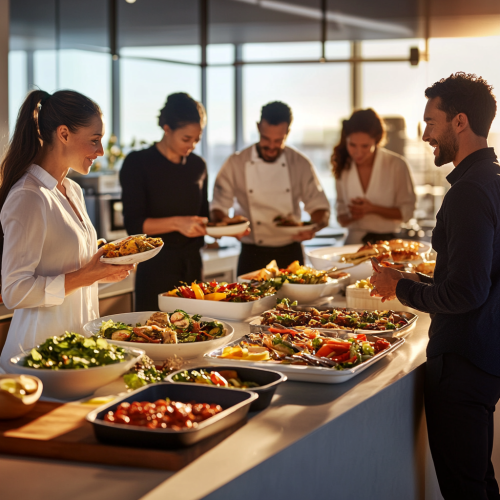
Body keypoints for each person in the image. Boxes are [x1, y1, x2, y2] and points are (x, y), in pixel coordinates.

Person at [370, 72, 500, 500]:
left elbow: (465, 294)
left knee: (465, 490)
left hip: (461, 363)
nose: (426, 134)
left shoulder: (468, 192)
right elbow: (474, 277)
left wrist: (405, 291)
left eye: (431, 122)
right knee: (478, 482)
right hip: (484, 356)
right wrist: (408, 279)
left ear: (459, 122)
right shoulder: (493, 180)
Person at [0, 90, 134, 368]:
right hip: (38, 355)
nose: (100, 151)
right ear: (63, 134)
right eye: (94, 141)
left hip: (79, 347)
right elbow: (14, 292)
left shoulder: (72, 190)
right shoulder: (29, 196)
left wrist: (103, 267)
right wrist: (86, 276)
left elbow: (69, 266)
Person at [211, 101, 330, 275]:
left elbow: (321, 209)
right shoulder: (236, 163)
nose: (272, 146)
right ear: (258, 127)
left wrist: (314, 228)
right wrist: (228, 225)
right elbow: (217, 208)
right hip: (252, 253)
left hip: (291, 254)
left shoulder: (300, 163)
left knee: (296, 303)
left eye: (278, 140)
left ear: (288, 133)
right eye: (266, 139)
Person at [120, 92, 209, 311]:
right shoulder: (138, 163)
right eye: (186, 139)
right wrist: (179, 223)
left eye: (197, 140)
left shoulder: (198, 166)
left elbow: (204, 215)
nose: (192, 145)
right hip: (155, 267)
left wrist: (225, 227)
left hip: (192, 267)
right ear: (167, 129)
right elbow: (135, 224)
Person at [332, 109, 416, 245]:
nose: (358, 152)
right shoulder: (343, 167)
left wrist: (372, 209)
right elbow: (341, 218)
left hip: (388, 244)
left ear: (376, 141)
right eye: (352, 145)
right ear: (345, 140)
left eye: (365, 146)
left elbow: (407, 212)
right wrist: (352, 216)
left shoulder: (396, 164)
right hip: (353, 244)